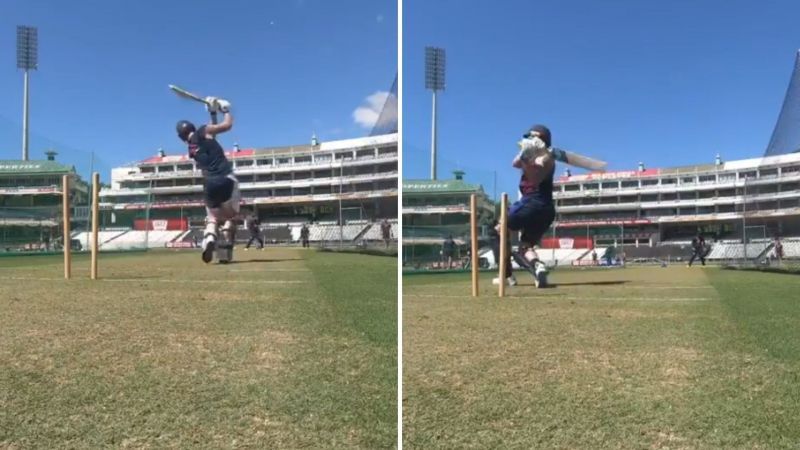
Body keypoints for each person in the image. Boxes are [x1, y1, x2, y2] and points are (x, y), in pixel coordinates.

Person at [492, 124, 556, 288]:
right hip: (546, 210)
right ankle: (537, 267)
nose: (530, 139)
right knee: (525, 246)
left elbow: (543, 163)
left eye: (534, 137)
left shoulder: (548, 158)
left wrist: (544, 153)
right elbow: (515, 163)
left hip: (532, 202)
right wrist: (527, 151)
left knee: (499, 228)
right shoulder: (527, 155)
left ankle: (506, 276)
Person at [176, 96, 237, 263]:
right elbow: (227, 126)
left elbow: (212, 134)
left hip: (209, 184)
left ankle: (209, 239)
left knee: (212, 218)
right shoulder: (203, 131)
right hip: (227, 179)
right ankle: (225, 251)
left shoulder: (192, 149)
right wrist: (225, 110)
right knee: (230, 218)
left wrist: (212, 111)